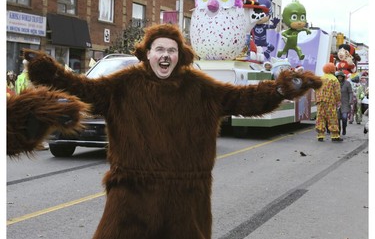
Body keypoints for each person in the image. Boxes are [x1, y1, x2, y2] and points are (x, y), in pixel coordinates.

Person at [23, 23, 322, 239]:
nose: (165, 56)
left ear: (180, 55)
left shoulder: (200, 88)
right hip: (131, 197)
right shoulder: (122, 85)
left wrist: (280, 88)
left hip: (187, 200)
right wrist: (50, 73)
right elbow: (82, 89)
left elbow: (243, 99)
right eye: (159, 50)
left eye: (172, 50)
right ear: (147, 53)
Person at [315, 63, 343, 142]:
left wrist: (317, 98)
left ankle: (320, 135)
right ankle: (334, 136)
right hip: (330, 101)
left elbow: (316, 90)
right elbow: (337, 92)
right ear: (332, 70)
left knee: (320, 117)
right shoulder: (334, 79)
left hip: (320, 101)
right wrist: (338, 100)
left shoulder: (320, 78)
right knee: (332, 117)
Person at [336, 70, 353, 135]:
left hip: (345, 103)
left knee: (344, 117)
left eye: (341, 77)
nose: (339, 78)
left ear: (343, 77)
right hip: (337, 103)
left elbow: (350, 92)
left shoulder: (347, 83)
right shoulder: (335, 83)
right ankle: (339, 130)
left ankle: (344, 128)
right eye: (338, 77)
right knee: (337, 118)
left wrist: (350, 101)